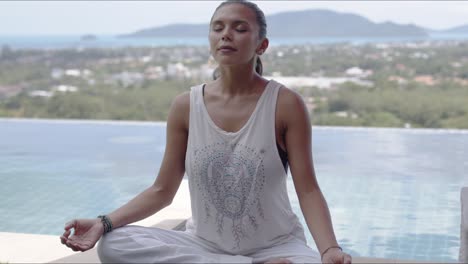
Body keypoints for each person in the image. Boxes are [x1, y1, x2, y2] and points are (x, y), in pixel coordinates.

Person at [60, 0, 352, 263]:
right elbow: (162, 191)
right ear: (210, 40)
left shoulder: (286, 104)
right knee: (115, 244)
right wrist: (103, 223)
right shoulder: (186, 106)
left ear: (262, 44)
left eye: (240, 28)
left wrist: (329, 249)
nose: (226, 34)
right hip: (202, 246)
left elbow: (308, 189)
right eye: (218, 28)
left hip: (277, 248)